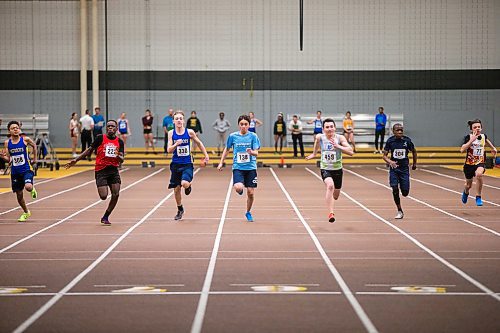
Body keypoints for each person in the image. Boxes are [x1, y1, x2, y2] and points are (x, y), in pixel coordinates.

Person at [64, 120, 124, 225]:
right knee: (103, 196)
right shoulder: (100, 138)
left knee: (116, 194)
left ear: (116, 128)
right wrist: (76, 160)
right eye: (108, 126)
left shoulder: (120, 142)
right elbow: (89, 150)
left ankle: (106, 216)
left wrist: (118, 156)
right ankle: (102, 188)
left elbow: (122, 159)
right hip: (101, 170)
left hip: (113, 170)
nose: (110, 128)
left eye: (112, 126)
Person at [306, 118, 353, 223]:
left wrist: (338, 146)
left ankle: (333, 198)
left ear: (335, 128)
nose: (329, 129)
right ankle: (331, 213)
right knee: (330, 186)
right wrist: (314, 154)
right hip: (325, 168)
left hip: (337, 169)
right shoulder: (320, 137)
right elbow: (317, 141)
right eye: (327, 127)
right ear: (323, 129)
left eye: (331, 126)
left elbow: (351, 152)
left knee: (336, 196)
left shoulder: (340, 138)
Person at [167, 110, 210, 220]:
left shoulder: (189, 132)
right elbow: (169, 150)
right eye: (177, 119)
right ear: (173, 121)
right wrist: (176, 144)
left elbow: (199, 143)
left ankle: (188, 186)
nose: (179, 120)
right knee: (176, 189)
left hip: (187, 163)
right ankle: (180, 209)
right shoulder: (171, 133)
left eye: (181, 118)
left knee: (185, 183)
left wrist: (206, 155)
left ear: (184, 121)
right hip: (175, 164)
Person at [217, 114, 260, 222]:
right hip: (238, 167)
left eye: (246, 124)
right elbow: (227, 149)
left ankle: (248, 212)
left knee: (250, 192)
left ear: (249, 125)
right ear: (238, 125)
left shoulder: (253, 136)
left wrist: (252, 152)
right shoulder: (233, 136)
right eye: (241, 124)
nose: (243, 126)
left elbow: (256, 152)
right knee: (239, 188)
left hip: (250, 168)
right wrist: (221, 162)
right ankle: (240, 188)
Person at [0, 121, 38, 222]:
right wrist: (3, 157)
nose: (16, 129)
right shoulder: (7, 143)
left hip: (26, 169)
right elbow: (9, 159)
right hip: (15, 172)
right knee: (19, 195)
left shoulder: (25, 139)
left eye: (17, 127)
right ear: (9, 130)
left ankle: (31, 187)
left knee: (28, 187)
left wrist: (35, 159)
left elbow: (34, 145)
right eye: (13, 128)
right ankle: (26, 212)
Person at [382, 123, 417, 219]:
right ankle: (399, 210)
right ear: (393, 132)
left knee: (405, 193)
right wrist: (390, 162)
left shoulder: (407, 141)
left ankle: (403, 189)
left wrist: (414, 164)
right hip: (394, 168)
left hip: (404, 169)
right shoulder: (390, 141)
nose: (400, 132)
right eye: (398, 130)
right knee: (394, 188)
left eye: (401, 130)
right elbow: (384, 156)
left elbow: (414, 151)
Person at [460, 118, 497, 206]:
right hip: (469, 164)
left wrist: (493, 148)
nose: (477, 129)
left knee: (479, 175)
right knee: (468, 185)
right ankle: (466, 192)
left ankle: (478, 197)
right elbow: (462, 150)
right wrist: (472, 140)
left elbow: (486, 141)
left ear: (481, 128)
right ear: (471, 129)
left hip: (480, 162)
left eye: (479, 127)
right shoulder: (468, 137)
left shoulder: (483, 136)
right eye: (475, 127)